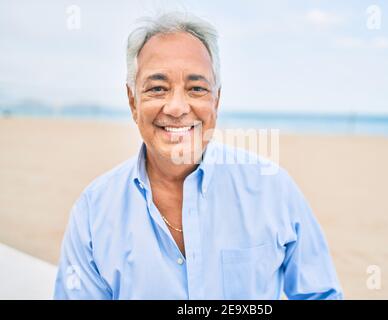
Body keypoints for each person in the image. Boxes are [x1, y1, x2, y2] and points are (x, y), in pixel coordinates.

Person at [54, 12, 343, 300]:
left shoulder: (273, 190)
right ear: (133, 102)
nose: (177, 107)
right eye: (157, 88)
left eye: (196, 88)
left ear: (216, 100)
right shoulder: (93, 213)